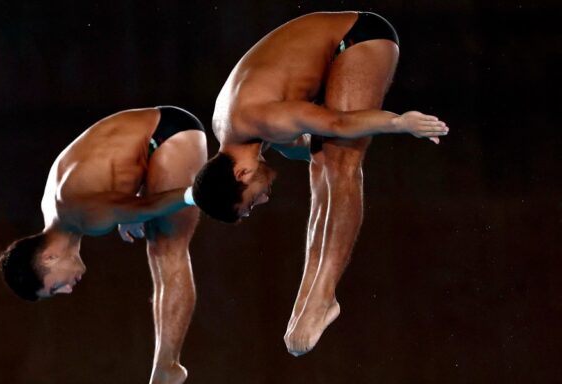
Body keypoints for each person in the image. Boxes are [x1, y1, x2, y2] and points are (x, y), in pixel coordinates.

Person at [191, 11, 449, 356]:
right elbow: (306, 148)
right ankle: (309, 294)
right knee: (322, 161)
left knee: (342, 160)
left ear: (241, 175)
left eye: (252, 202)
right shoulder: (234, 130)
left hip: (359, 38)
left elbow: (340, 123)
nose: (264, 200)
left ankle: (323, 296)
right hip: (333, 52)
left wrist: (401, 122)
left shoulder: (263, 120)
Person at [0, 106, 207, 384]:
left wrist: (197, 193)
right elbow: (103, 171)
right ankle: (165, 365)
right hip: (151, 138)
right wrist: (128, 207)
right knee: (150, 232)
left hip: (169, 134)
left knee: (166, 249)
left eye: (56, 287)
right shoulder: (54, 209)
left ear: (49, 258)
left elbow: (149, 205)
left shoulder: (86, 218)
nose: (68, 289)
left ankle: (169, 365)